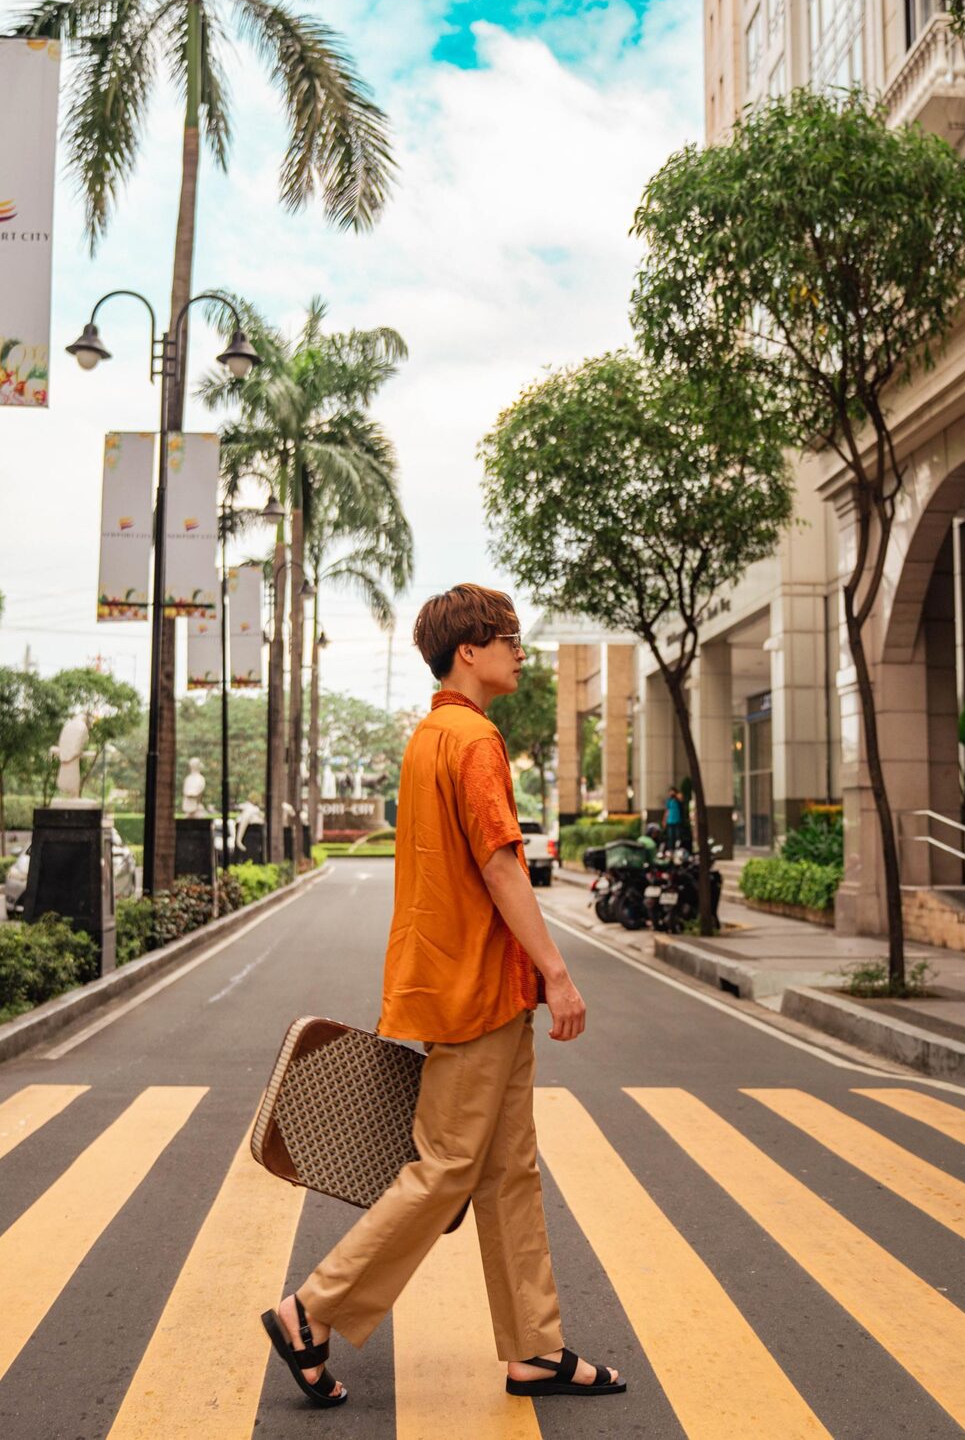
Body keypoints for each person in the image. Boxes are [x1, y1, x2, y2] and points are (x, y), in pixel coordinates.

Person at [262, 583, 625, 1408]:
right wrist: (558, 974)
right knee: (447, 1167)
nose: (519, 652)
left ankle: (534, 1348)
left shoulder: (430, 736)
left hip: (460, 984)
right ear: (471, 650)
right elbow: (502, 864)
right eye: (509, 638)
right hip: (477, 990)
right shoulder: (473, 740)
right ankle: (310, 1311)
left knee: (506, 1172)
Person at [664, 785, 684, 850]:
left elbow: (681, 799)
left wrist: (675, 795)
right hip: (670, 821)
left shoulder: (677, 800)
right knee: (670, 837)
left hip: (677, 820)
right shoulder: (669, 801)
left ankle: (678, 848)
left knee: (678, 836)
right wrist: (664, 820)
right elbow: (667, 811)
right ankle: (671, 849)